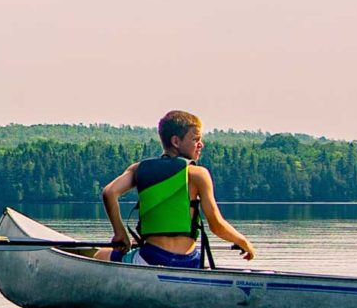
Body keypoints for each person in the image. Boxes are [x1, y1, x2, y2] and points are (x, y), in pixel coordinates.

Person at [98, 110, 257, 267]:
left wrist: (120, 234)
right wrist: (243, 241)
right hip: (188, 262)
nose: (201, 144)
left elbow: (109, 192)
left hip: (150, 258)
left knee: (100, 255)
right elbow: (216, 225)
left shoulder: (138, 169)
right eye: (196, 139)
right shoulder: (198, 174)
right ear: (176, 141)